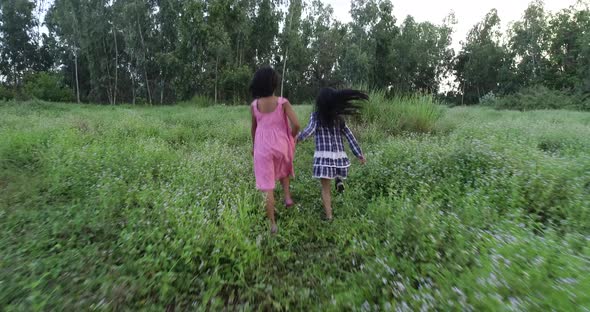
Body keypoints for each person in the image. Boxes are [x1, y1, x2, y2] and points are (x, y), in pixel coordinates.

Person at [297, 88, 368, 221]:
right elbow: (349, 136)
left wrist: (296, 139)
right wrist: (359, 154)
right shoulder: (339, 119)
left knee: (325, 189)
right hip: (338, 157)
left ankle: (329, 216)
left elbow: (309, 131)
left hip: (324, 158)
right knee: (335, 171)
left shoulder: (316, 116)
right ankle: (338, 179)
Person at [250, 66, 300, 234]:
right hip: (281, 145)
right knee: (284, 168)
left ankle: (272, 224)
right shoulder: (282, 102)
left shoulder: (255, 105)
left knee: (267, 186)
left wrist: (253, 146)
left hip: (262, 147)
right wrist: (291, 138)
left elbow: (254, 129)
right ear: (274, 84)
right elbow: (297, 125)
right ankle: (287, 198)